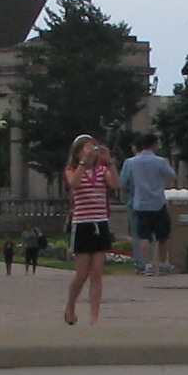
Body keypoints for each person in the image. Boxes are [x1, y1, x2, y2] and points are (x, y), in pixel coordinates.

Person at [61, 134, 116, 324]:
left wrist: (110, 162)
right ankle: (70, 306)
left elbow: (114, 183)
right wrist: (84, 162)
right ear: (77, 152)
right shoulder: (72, 170)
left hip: (100, 222)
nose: (91, 150)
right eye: (86, 147)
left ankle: (94, 316)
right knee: (82, 274)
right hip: (82, 224)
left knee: (97, 273)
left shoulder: (102, 170)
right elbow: (74, 183)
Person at [121, 138, 177, 275]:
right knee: (163, 236)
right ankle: (163, 263)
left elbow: (124, 182)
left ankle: (148, 265)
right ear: (154, 145)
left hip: (140, 203)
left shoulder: (132, 162)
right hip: (158, 202)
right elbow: (172, 176)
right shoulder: (160, 161)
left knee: (144, 236)